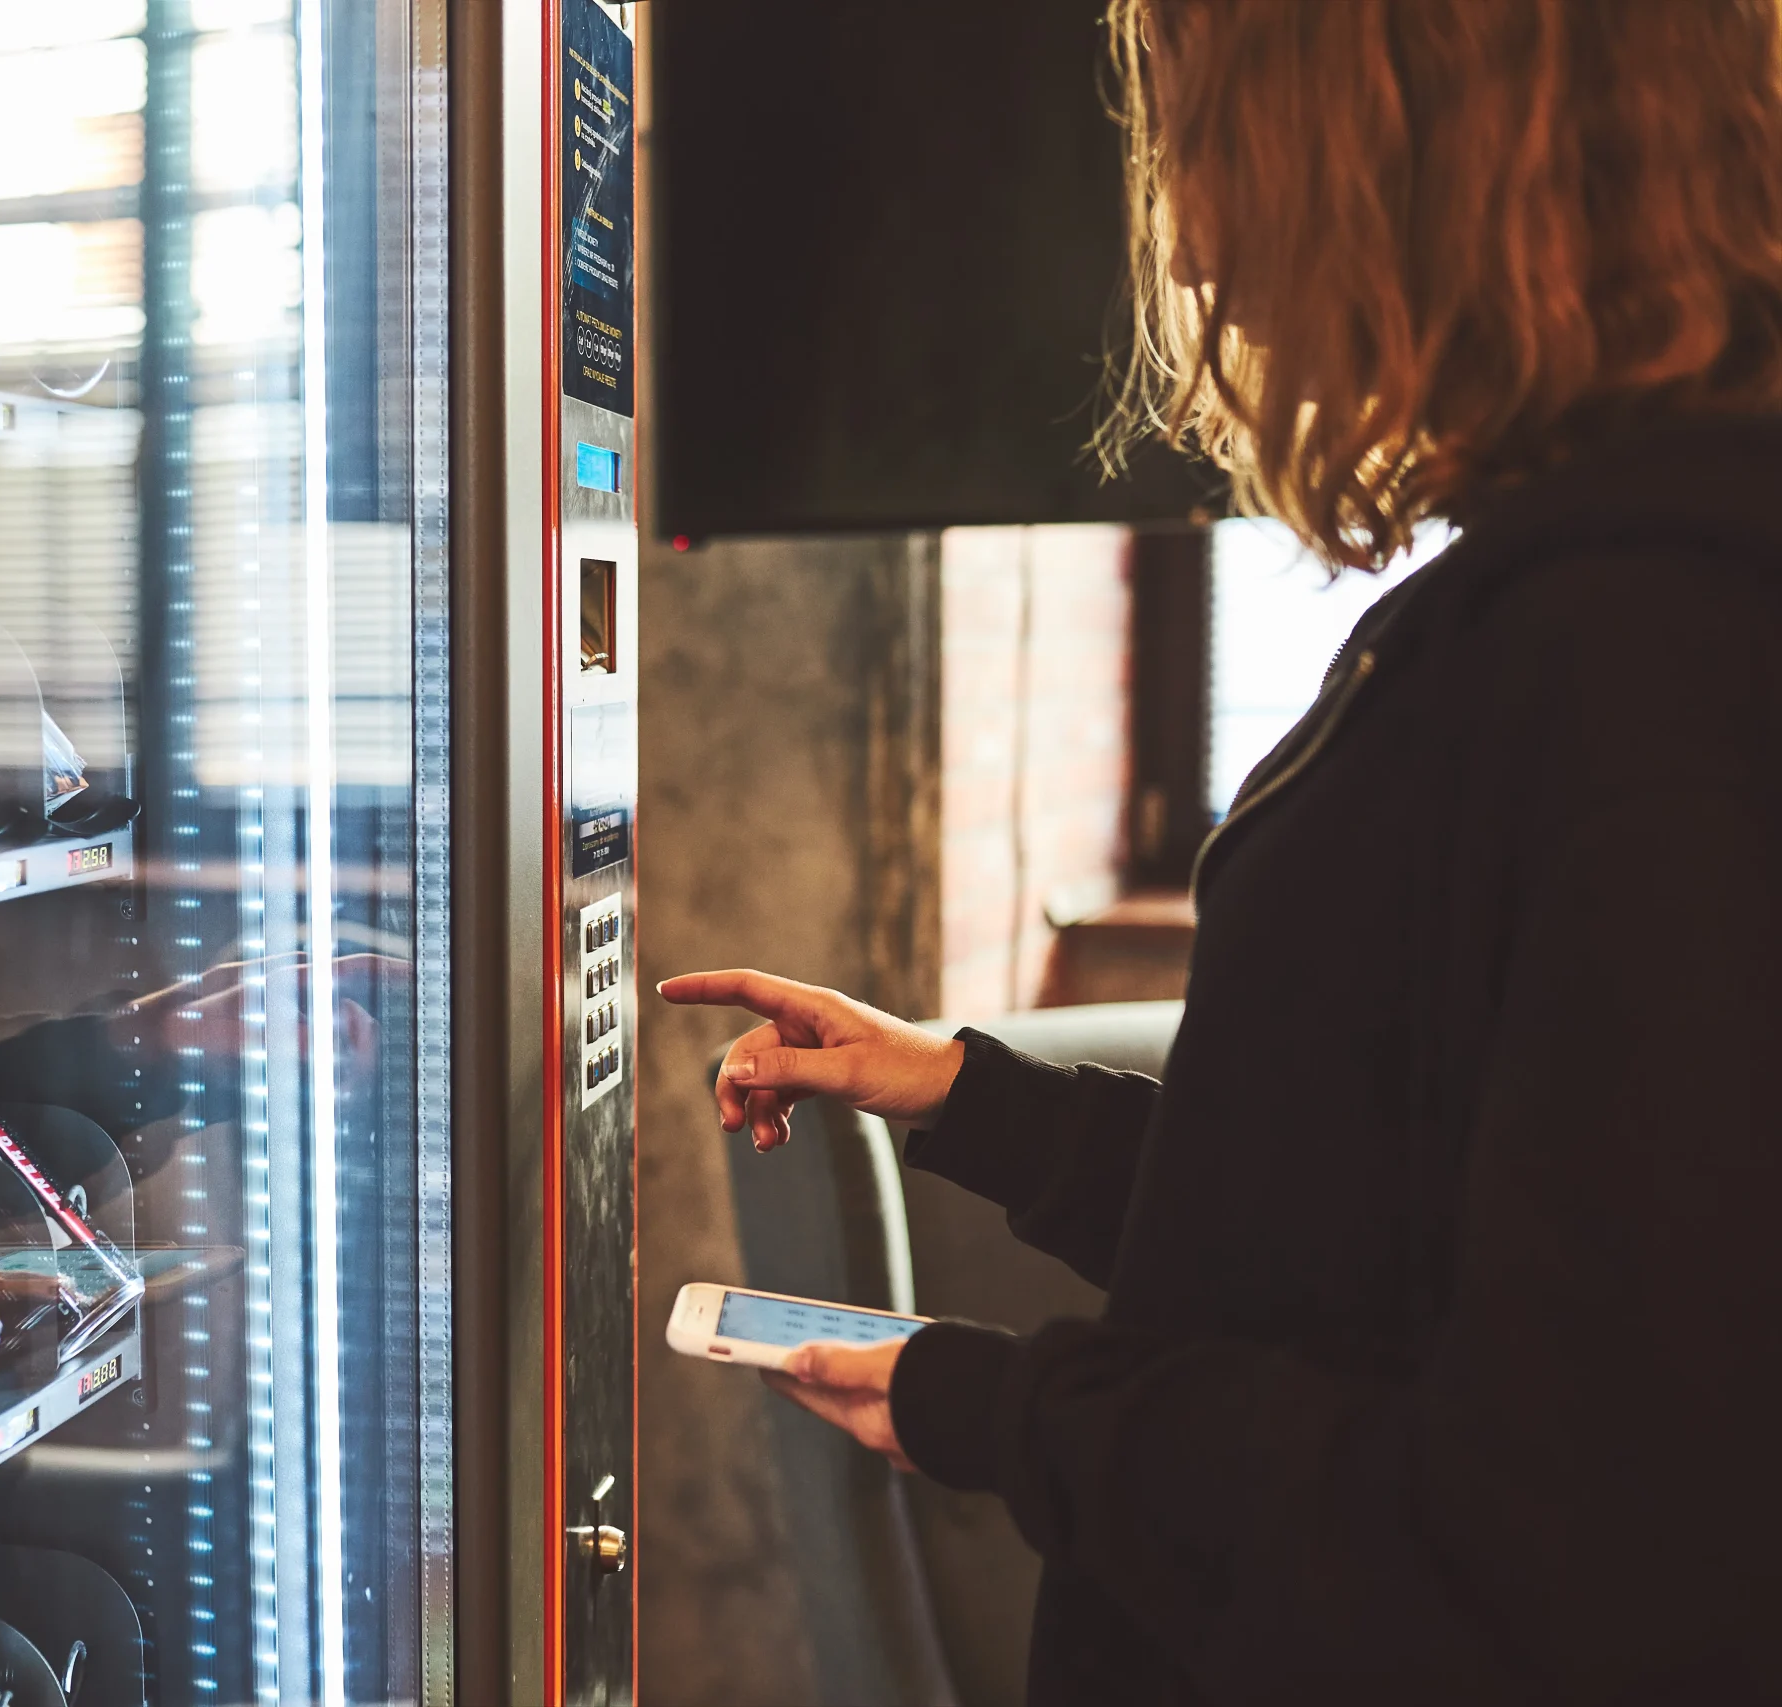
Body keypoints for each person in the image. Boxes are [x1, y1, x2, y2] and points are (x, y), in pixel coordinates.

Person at [660, 2, 1782, 1701]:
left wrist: (1009, 1408)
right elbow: (1368, 1230)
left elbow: (1565, 1546)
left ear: (1427, 142)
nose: (1189, 239)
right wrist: (971, 1091)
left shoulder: (1650, 663)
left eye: (1210, 138)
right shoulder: (1596, 605)